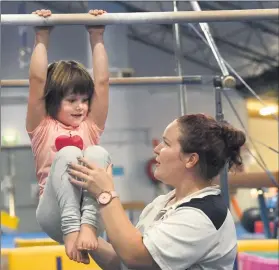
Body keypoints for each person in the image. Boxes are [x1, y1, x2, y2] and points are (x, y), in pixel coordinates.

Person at [68, 113, 246, 270]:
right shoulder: (162, 203)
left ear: (191, 159)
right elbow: (122, 262)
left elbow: (135, 256)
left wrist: (105, 194)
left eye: (166, 143)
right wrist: (81, 232)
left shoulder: (203, 215)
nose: (157, 149)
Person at [26, 9, 109, 264]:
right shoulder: (41, 127)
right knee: (70, 154)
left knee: (98, 153)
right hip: (56, 215)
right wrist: (41, 35)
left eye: (84, 100)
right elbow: (37, 80)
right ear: (53, 101)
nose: (80, 107)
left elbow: (103, 82)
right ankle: (73, 229)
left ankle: (87, 226)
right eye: (71, 100)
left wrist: (96, 35)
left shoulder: (90, 127)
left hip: (90, 215)